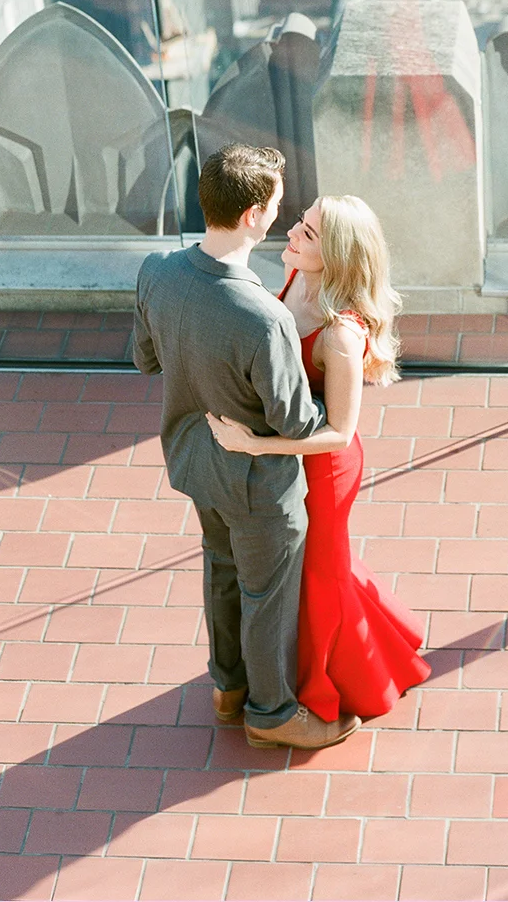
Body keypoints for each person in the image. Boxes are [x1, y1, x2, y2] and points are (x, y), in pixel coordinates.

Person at [132, 145, 350, 752]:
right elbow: (299, 425)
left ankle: (227, 688)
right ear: (254, 214)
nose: (281, 216)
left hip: (194, 463)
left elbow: (145, 359)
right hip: (259, 482)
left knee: (220, 569)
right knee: (267, 597)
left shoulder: (155, 271)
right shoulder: (264, 318)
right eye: (278, 206)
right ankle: (272, 712)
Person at [207, 195, 430, 728]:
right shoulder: (293, 271)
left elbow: (339, 432)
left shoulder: (342, 334)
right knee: (312, 572)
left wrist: (257, 446)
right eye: (301, 222)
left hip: (324, 467)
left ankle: (338, 683)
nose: (293, 234)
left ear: (338, 255)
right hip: (291, 450)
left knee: (319, 577)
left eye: (308, 233)